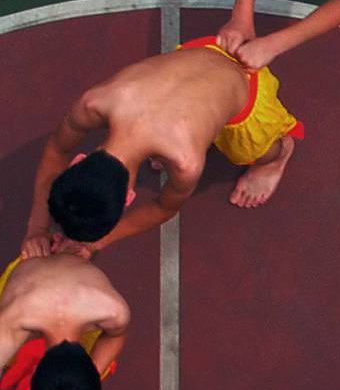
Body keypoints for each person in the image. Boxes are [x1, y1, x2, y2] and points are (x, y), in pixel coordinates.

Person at [23, 34, 306, 257]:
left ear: (129, 198)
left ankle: (278, 155)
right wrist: (37, 228)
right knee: (193, 122)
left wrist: (95, 244)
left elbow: (163, 209)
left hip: (246, 89)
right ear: (78, 161)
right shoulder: (96, 102)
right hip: (206, 49)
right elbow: (57, 151)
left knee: (246, 150)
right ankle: (204, 125)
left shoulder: (185, 161)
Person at [0, 247, 129, 390]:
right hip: (29, 289)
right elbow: (116, 335)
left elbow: (117, 336)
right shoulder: (7, 329)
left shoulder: (114, 310)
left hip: (57, 289)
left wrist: (80, 389)